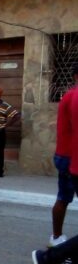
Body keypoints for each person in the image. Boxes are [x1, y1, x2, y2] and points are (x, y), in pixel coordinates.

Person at [48, 64, 78, 248]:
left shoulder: (68, 96)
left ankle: (56, 238)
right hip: (72, 157)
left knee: (63, 197)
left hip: (65, 154)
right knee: (63, 198)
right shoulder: (74, 96)